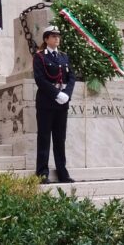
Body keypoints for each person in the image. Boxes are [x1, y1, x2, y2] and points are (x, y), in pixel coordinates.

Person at [33, 26, 76, 184]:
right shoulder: (40, 57)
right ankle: (42, 173)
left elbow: (71, 77)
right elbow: (40, 79)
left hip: (62, 103)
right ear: (46, 39)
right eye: (53, 36)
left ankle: (62, 172)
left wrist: (67, 95)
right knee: (44, 138)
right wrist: (56, 94)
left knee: (60, 139)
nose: (57, 38)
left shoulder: (64, 57)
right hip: (46, 102)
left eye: (58, 36)